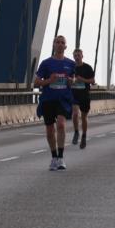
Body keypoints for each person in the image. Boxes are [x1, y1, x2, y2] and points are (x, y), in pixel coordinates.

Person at [33, 35, 76, 170]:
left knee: (61, 125)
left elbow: (74, 79)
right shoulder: (46, 63)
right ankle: (54, 157)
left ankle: (61, 158)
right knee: (50, 130)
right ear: (53, 45)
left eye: (62, 42)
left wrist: (71, 81)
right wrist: (49, 81)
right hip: (48, 99)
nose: (59, 44)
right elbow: (36, 82)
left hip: (63, 100)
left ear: (65, 46)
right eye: (57, 42)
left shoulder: (71, 64)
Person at [70, 48, 95, 149]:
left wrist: (82, 80)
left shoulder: (87, 67)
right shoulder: (71, 67)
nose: (77, 57)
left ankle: (84, 136)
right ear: (73, 57)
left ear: (82, 56)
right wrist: (70, 81)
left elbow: (92, 81)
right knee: (75, 114)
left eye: (78, 55)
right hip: (74, 94)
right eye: (75, 56)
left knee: (84, 117)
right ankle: (76, 132)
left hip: (84, 95)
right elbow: (67, 79)